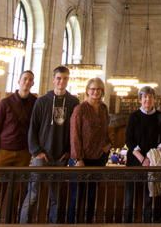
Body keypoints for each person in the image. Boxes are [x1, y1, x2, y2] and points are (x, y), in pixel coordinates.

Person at [19, 66, 79, 224]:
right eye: (59, 78)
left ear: (68, 80)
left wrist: (68, 151)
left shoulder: (73, 102)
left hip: (61, 157)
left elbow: (75, 130)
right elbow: (33, 128)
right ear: (54, 79)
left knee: (56, 198)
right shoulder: (42, 101)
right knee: (33, 195)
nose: (62, 81)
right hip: (41, 156)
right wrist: (36, 151)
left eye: (65, 78)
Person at [0, 70, 37, 223]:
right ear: (19, 81)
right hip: (4, 151)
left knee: (16, 193)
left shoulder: (35, 102)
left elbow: (35, 127)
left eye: (30, 80)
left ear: (33, 83)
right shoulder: (6, 102)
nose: (27, 82)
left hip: (23, 152)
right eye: (25, 79)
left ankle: (10, 223)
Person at [68, 77, 111, 223]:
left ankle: (88, 224)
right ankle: (72, 224)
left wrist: (108, 145)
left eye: (99, 89)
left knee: (92, 195)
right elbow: (74, 135)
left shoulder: (104, 108)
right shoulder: (80, 109)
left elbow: (106, 130)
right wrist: (78, 158)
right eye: (93, 89)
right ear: (87, 90)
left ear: (102, 91)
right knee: (77, 196)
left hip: (99, 158)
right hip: (82, 159)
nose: (96, 92)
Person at [124, 85, 161, 222]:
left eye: (150, 97)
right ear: (140, 99)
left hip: (153, 164)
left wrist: (155, 155)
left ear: (154, 99)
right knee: (129, 198)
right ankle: (127, 223)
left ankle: (148, 224)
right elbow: (129, 139)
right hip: (134, 162)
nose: (147, 99)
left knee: (149, 199)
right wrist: (142, 159)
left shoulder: (160, 116)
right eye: (144, 97)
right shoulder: (134, 116)